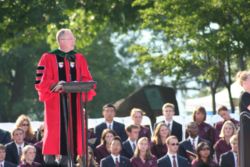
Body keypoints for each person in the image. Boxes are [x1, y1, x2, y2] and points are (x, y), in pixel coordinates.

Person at [34, 28, 96, 165]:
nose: (74, 40)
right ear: (62, 40)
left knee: (71, 142)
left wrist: (78, 84)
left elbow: (87, 79)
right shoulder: (48, 58)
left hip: (74, 104)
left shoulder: (79, 58)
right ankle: (50, 160)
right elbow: (40, 82)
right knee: (55, 137)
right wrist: (56, 84)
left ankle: (68, 160)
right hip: (55, 105)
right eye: (71, 38)